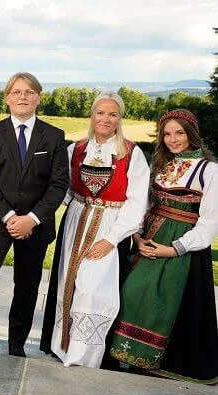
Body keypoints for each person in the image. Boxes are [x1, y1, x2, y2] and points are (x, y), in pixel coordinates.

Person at [0, 72, 69, 368]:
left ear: (38, 97)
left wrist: (31, 218)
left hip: (36, 222)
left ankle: (16, 345)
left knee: (27, 283)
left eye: (28, 91)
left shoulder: (53, 137)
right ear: (6, 98)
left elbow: (58, 184)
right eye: (16, 92)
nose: (22, 96)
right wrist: (8, 216)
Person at [110, 109, 218, 384]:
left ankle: (162, 363)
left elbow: (209, 222)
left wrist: (174, 249)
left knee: (165, 303)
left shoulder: (210, 170)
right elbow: (142, 204)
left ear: (192, 134)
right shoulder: (159, 165)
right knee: (130, 292)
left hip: (182, 248)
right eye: (167, 134)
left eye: (179, 133)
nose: (173, 139)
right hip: (149, 239)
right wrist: (136, 236)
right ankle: (132, 358)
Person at [46, 92, 150, 369]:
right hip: (76, 220)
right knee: (68, 282)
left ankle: (86, 354)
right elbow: (64, 189)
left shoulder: (131, 153)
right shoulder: (77, 150)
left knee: (94, 289)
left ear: (120, 119)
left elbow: (137, 201)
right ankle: (63, 345)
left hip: (110, 224)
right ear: (92, 116)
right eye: (100, 113)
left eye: (112, 114)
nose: (105, 119)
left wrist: (112, 239)